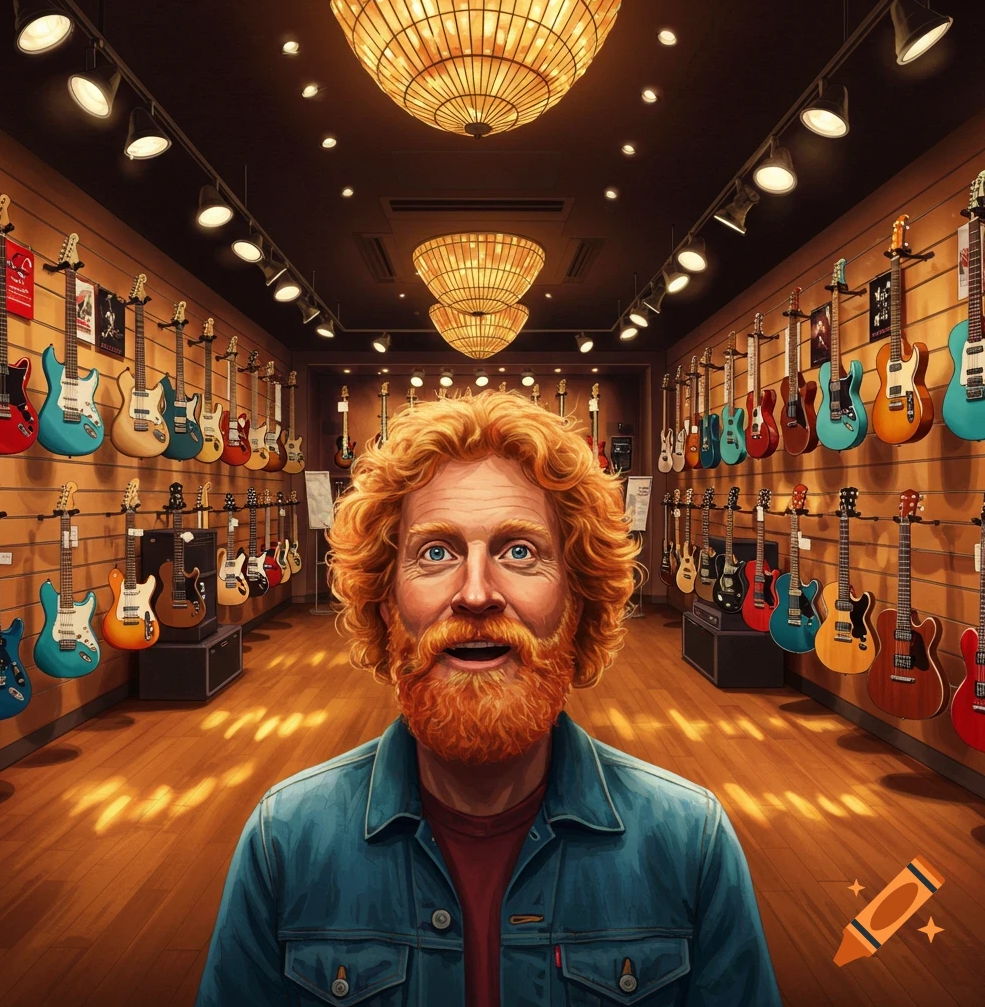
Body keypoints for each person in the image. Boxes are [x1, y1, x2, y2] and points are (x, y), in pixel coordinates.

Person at [196, 390, 782, 1006]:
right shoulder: (282, 842)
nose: (476, 592)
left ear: (577, 601)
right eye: (437, 552)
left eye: (519, 551)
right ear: (384, 601)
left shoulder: (692, 843)